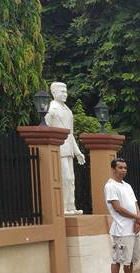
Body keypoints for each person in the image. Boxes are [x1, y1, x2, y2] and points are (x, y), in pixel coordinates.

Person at [104, 158, 140, 273]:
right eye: (120, 167)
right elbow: (117, 208)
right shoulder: (110, 186)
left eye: (125, 167)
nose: (123, 170)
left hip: (132, 228)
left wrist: (138, 220)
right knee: (118, 258)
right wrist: (136, 218)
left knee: (130, 258)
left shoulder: (127, 186)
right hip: (121, 228)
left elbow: (135, 205)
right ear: (113, 169)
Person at [44, 82, 86, 215]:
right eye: (62, 91)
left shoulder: (68, 110)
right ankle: (62, 207)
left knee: (71, 179)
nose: (65, 94)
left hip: (68, 150)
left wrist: (78, 152)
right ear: (54, 93)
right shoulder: (51, 109)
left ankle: (71, 206)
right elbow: (46, 129)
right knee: (65, 178)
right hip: (58, 149)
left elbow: (70, 134)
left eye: (66, 91)